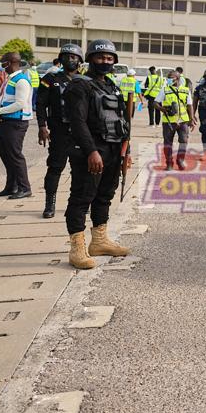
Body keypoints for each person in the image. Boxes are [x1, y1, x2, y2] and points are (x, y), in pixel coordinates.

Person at [62, 39, 131, 270]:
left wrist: (125, 152)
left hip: (112, 150)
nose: (105, 62)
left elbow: (122, 121)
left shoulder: (112, 86)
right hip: (90, 150)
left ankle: (99, 241)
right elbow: (78, 122)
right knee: (82, 197)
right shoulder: (80, 86)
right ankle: (77, 249)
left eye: (110, 58)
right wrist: (91, 151)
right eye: (100, 57)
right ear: (90, 59)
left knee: (104, 196)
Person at [37, 44, 83, 218]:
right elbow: (41, 104)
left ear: (79, 60)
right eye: (67, 57)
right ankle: (50, 204)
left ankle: (78, 203)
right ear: (61, 59)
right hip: (59, 131)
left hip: (80, 133)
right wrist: (42, 126)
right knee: (55, 167)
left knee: (80, 169)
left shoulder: (85, 80)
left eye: (74, 57)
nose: (70, 60)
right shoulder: (50, 78)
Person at [0, 52, 33, 199]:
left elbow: (20, 104)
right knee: (6, 155)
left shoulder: (21, 80)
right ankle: (12, 186)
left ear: (10, 62)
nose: (1, 65)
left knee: (15, 156)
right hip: (4, 121)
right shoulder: (9, 79)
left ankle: (25, 188)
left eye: (3, 62)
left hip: (16, 124)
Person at [154, 69, 195, 170]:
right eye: (167, 78)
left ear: (177, 79)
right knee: (168, 143)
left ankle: (180, 160)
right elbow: (155, 103)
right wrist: (162, 109)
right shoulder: (165, 90)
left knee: (184, 141)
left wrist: (192, 118)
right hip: (168, 121)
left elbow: (190, 105)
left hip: (183, 121)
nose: (168, 79)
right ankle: (169, 163)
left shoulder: (185, 90)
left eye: (170, 78)